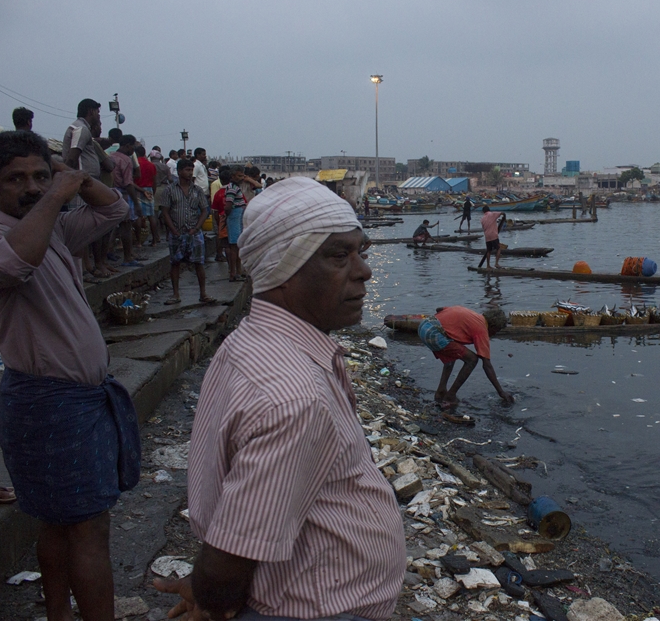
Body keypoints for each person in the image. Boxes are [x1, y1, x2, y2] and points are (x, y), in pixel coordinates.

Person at [153, 177, 405, 620]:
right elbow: (230, 557)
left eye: (360, 251)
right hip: (313, 608)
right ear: (282, 270)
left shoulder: (254, 340)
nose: (364, 270)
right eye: (338, 256)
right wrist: (210, 595)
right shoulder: (294, 397)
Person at [0, 130, 139, 621]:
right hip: (48, 404)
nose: (30, 187)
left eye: (38, 176)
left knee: (56, 524)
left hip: (78, 402)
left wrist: (64, 172)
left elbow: (115, 210)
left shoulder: (53, 229)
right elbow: (13, 263)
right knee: (88, 529)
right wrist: (53, 190)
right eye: (15, 179)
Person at [418, 306, 513, 416]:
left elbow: (439, 309)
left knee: (452, 353)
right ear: (493, 326)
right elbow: (487, 365)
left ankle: (441, 391)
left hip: (424, 325)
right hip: (433, 333)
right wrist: (501, 392)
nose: (494, 334)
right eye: (496, 331)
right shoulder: (481, 329)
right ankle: (450, 396)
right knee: (472, 359)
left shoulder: (473, 315)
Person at [159, 158, 215, 305]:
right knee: (175, 263)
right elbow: (165, 212)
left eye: (191, 170)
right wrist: (173, 230)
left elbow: (204, 210)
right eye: (187, 170)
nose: (190, 173)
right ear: (179, 171)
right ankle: (175, 294)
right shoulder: (170, 190)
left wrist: (197, 227)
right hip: (176, 232)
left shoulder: (197, 190)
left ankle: (203, 293)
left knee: (199, 263)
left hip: (194, 232)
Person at [110, 135, 144, 266]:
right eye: (133, 147)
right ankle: (128, 256)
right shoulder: (126, 160)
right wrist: (136, 203)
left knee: (111, 226)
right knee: (126, 226)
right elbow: (128, 183)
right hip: (122, 194)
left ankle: (109, 250)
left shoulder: (111, 156)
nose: (133, 150)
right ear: (127, 145)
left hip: (110, 192)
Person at [223, 165, 248, 281]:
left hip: (237, 216)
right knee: (234, 246)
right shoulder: (232, 188)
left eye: (243, 175)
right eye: (239, 176)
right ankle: (233, 273)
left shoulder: (236, 188)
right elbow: (228, 205)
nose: (242, 178)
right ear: (232, 176)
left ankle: (238, 271)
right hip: (234, 216)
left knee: (237, 245)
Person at [134, 145, 160, 246]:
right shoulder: (151, 165)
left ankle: (139, 241)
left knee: (138, 216)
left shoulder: (135, 164)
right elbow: (154, 181)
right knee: (151, 215)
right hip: (149, 189)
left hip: (137, 189)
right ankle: (154, 239)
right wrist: (153, 192)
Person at [210, 164, 232, 262]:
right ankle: (219, 254)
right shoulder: (215, 184)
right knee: (220, 236)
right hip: (219, 214)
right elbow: (214, 201)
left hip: (226, 215)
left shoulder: (232, 189)